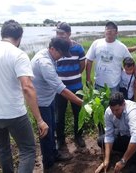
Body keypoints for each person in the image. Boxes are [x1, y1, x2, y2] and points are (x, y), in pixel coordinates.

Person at [0, 20, 49, 173]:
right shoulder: (18, 54)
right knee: (28, 149)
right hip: (12, 112)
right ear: (19, 38)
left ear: (2, 34)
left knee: (2, 148)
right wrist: (40, 120)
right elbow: (27, 87)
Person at [31, 37, 83, 170]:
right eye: (61, 54)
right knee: (46, 133)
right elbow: (61, 89)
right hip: (42, 103)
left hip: (49, 99)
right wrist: (80, 102)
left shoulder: (49, 55)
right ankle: (49, 165)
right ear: (52, 49)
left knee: (52, 128)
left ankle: (54, 154)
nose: (61, 57)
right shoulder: (44, 63)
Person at [95, 92, 136, 173]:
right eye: (112, 110)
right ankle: (131, 149)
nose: (114, 113)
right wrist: (106, 160)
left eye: (117, 110)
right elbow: (109, 135)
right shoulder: (108, 112)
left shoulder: (132, 110)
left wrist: (123, 161)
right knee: (101, 140)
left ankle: (135, 161)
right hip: (126, 133)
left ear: (123, 104)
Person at [54, 22, 86, 148]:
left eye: (62, 33)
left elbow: (82, 65)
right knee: (59, 115)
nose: (59, 36)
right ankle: (60, 139)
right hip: (59, 89)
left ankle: (78, 136)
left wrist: (73, 75)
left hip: (76, 87)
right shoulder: (55, 47)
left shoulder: (78, 48)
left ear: (69, 34)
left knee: (78, 114)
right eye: (57, 33)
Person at [85, 21, 133, 93]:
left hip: (114, 85)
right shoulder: (96, 43)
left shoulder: (122, 47)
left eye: (112, 29)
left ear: (116, 32)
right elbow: (89, 60)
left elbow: (131, 61)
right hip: (98, 84)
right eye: (107, 28)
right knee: (98, 104)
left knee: (114, 104)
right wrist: (88, 78)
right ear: (104, 31)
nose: (109, 30)